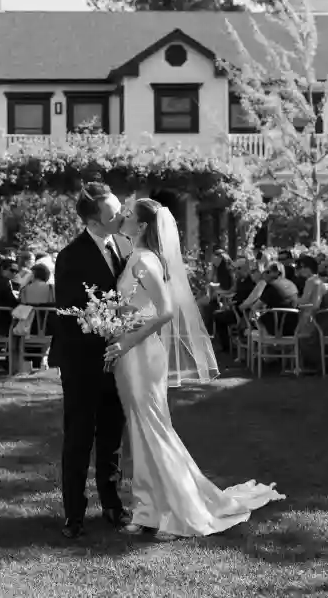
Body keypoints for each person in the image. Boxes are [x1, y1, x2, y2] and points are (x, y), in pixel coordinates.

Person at [104, 198, 285, 538]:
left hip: (141, 353)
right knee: (140, 433)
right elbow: (135, 307)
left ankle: (176, 513)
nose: (123, 218)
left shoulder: (145, 261)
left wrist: (128, 340)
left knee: (153, 431)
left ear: (142, 227)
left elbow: (166, 310)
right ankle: (148, 511)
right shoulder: (134, 258)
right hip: (131, 354)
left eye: (128, 215)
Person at [53, 182, 132, 539]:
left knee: (112, 434)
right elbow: (72, 311)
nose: (121, 216)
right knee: (79, 437)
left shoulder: (126, 247)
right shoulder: (71, 255)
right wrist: (108, 324)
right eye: (114, 213)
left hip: (118, 360)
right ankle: (74, 512)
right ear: (94, 220)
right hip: (82, 360)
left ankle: (112, 503)